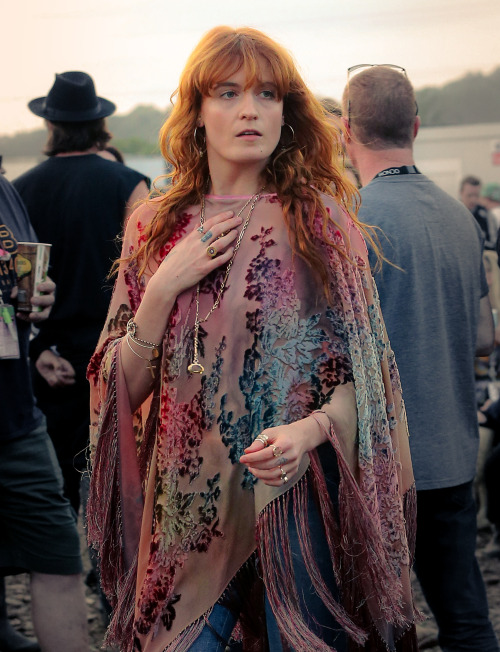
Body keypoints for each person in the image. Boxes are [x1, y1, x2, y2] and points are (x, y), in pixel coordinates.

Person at [86, 27, 418, 652]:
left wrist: (308, 431)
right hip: (185, 517)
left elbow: (374, 382)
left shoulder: (322, 221)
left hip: (295, 503)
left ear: (287, 111)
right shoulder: (154, 227)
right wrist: (160, 292)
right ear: (196, 112)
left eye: (268, 94)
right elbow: (116, 392)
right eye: (229, 92)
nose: (249, 110)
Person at [342, 63, 498, 651]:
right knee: (465, 619)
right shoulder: (462, 217)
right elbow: (484, 335)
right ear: (416, 124)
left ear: (345, 132)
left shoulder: (352, 221)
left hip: (377, 464)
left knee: (374, 628)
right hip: (453, 455)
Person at [12, 71, 150, 515]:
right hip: (113, 357)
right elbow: (145, 281)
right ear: (100, 125)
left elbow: (7, 290)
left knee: (50, 500)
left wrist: (36, 353)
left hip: (42, 359)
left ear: (51, 127)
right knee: (112, 491)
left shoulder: (17, 191)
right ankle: (106, 575)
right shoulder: (128, 183)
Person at [0, 172, 88, 651]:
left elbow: (24, 286)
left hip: (18, 415)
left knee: (58, 555)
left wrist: (39, 300)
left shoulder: (6, 188)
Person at [459, 175, 497, 249]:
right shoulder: (453, 214)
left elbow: (493, 243)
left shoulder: (487, 215)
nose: (473, 200)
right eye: (469, 195)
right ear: (460, 193)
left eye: (476, 195)